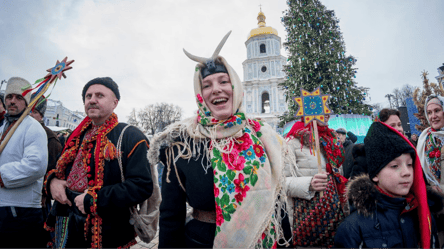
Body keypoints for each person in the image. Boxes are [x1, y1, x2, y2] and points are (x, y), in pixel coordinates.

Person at [149, 31, 291, 248]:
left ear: (235, 86)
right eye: (207, 85)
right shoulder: (183, 143)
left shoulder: (263, 136)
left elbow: (277, 202)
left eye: (223, 81)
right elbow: (170, 215)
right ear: (200, 94)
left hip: (263, 239)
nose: (216, 89)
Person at [45, 77, 154, 248]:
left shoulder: (130, 136)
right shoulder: (76, 136)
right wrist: (53, 182)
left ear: (115, 103)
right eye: (88, 96)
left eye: (100, 95)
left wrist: (94, 199)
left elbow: (142, 186)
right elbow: (55, 167)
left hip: (106, 229)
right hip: (67, 218)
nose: (92, 100)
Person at [334, 121, 439, 248]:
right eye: (395, 166)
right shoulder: (353, 228)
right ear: (375, 174)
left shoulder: (423, 215)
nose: (406, 173)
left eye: (410, 164)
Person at [285, 114, 348, 247]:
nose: (327, 114)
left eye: (327, 111)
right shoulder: (292, 142)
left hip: (336, 219)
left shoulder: (332, 141)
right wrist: (309, 184)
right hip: (308, 224)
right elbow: (281, 184)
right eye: (322, 110)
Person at [0, 77, 48, 248]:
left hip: (21, 211)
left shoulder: (32, 128)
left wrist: (2, 176)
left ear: (26, 102)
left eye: (19, 97)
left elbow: (36, 165)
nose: (12, 101)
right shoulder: (2, 127)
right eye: (9, 96)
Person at [29, 93, 63, 246]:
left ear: (41, 115)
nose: (30, 115)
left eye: (34, 112)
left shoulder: (50, 139)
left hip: (39, 201)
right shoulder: (18, 131)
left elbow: (53, 171)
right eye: (28, 111)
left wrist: (44, 193)